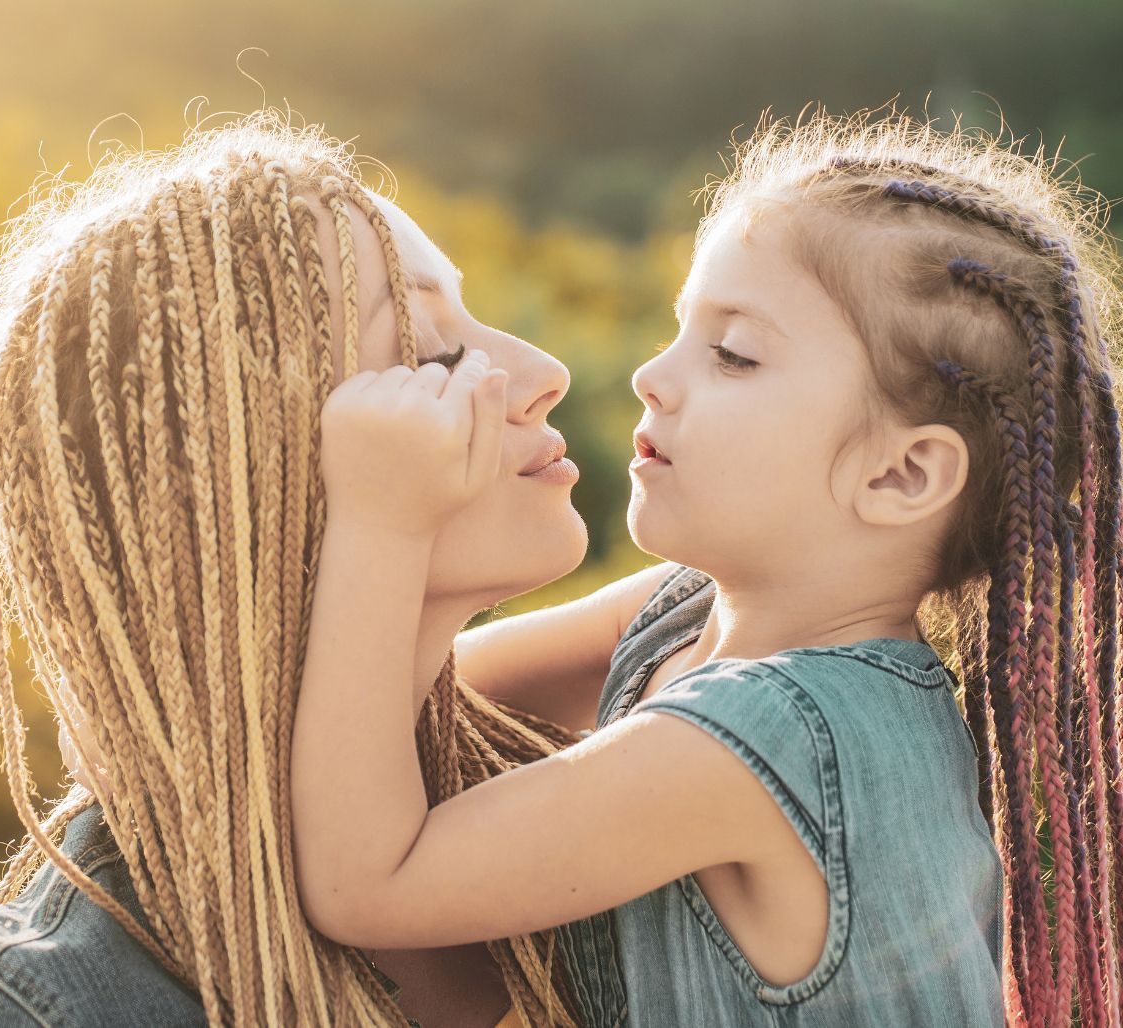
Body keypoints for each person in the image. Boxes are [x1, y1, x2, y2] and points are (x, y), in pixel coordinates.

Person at [290, 109, 1123, 1026]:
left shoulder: (764, 736)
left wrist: (382, 521)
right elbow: (431, 708)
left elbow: (369, 880)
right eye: (680, 329)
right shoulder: (687, 611)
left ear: (899, 473)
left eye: (733, 355)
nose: (652, 374)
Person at [0, 112, 643, 1027]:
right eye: (431, 354)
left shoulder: (578, 776)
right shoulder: (54, 1006)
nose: (542, 371)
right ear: (240, 470)